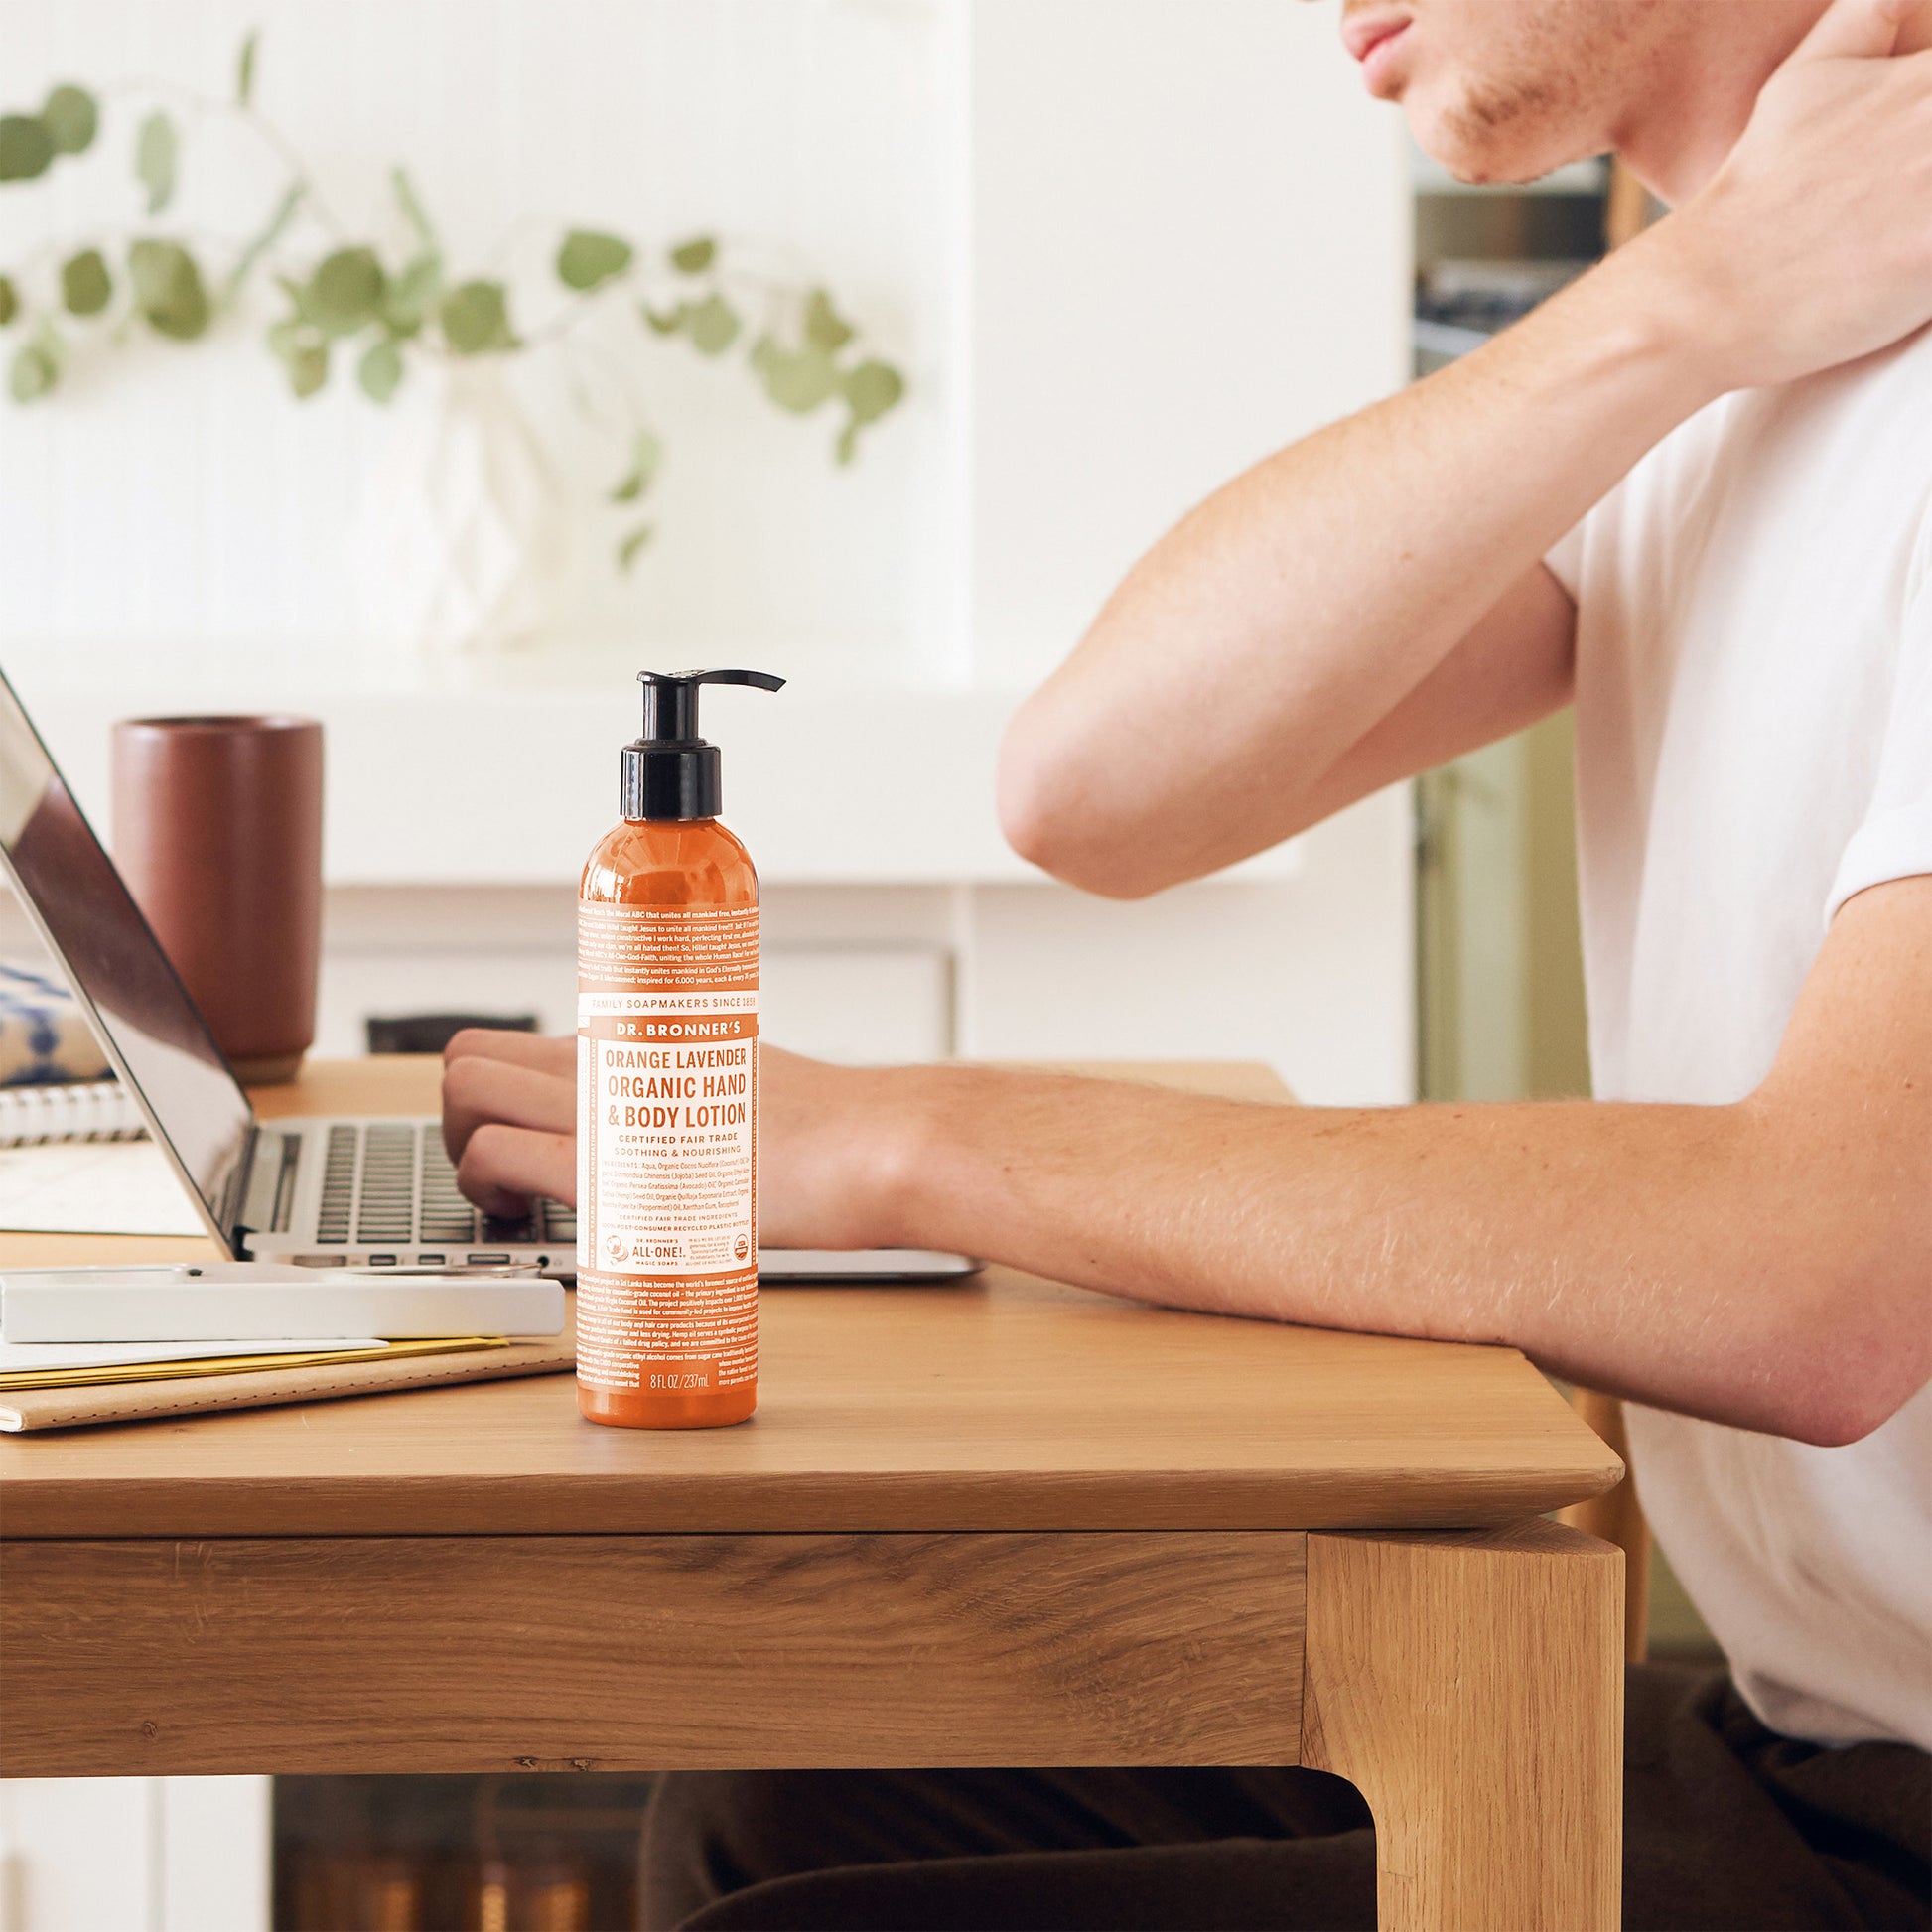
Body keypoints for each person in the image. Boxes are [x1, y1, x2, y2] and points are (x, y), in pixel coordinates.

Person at [441, 0, 1932, 1922]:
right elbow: (1094, 786)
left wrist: (908, 1146)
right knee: (795, 1798)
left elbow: (1810, 1272)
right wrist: (1690, 296)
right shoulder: (1747, 351)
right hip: (1807, 1740)